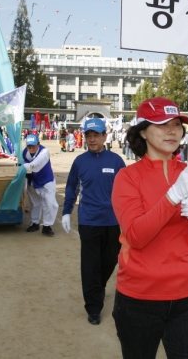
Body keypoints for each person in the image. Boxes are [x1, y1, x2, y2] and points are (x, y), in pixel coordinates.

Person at [111, 97, 188, 359]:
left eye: (177, 124)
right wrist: (172, 197)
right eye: (161, 124)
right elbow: (136, 236)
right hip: (139, 298)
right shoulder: (128, 177)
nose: (172, 131)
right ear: (143, 131)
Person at [61, 118, 126, 326]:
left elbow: (127, 193)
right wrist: (66, 211)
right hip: (89, 221)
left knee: (108, 262)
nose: (91, 139)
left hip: (113, 222)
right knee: (90, 266)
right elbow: (71, 187)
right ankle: (93, 307)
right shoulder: (80, 162)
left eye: (96, 135)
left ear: (105, 137)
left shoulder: (116, 161)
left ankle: (97, 289)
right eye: (88, 135)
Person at [22, 134, 59, 236]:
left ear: (38, 144)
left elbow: (35, 164)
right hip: (32, 182)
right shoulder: (24, 152)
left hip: (46, 181)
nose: (31, 148)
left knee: (49, 203)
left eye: (33, 145)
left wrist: (25, 166)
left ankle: (47, 226)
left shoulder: (44, 152)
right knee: (34, 203)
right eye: (29, 146)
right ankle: (34, 223)